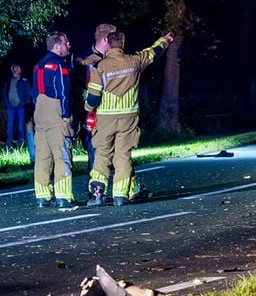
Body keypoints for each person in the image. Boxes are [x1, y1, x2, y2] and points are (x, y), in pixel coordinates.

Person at [85, 29, 174, 206]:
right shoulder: (135, 61)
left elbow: (93, 98)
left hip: (106, 119)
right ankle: (120, 195)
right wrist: (165, 40)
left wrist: (87, 107)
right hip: (128, 117)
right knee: (123, 156)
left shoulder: (100, 67)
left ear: (108, 45)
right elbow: (153, 52)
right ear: (123, 44)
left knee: (102, 154)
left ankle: (98, 193)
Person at [31, 33, 78, 209]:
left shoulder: (38, 65)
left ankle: (42, 196)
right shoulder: (59, 65)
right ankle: (64, 196)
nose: (69, 45)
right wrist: (66, 116)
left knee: (42, 156)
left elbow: (34, 92)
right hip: (55, 110)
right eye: (66, 43)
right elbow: (64, 91)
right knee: (62, 154)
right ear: (57, 46)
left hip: (39, 112)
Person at [77, 23, 117, 173]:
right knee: (94, 142)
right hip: (94, 108)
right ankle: (97, 184)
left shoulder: (109, 57)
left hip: (109, 108)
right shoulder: (84, 59)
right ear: (106, 39)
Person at [5, 63, 33, 151]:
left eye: (16, 68)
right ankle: (9, 146)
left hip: (20, 107)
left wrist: (22, 103)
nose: (15, 70)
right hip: (10, 107)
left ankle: (21, 146)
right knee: (10, 126)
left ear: (20, 70)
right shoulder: (9, 80)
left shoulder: (24, 80)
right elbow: (4, 93)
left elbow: (29, 94)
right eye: (13, 68)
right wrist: (7, 104)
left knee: (21, 127)